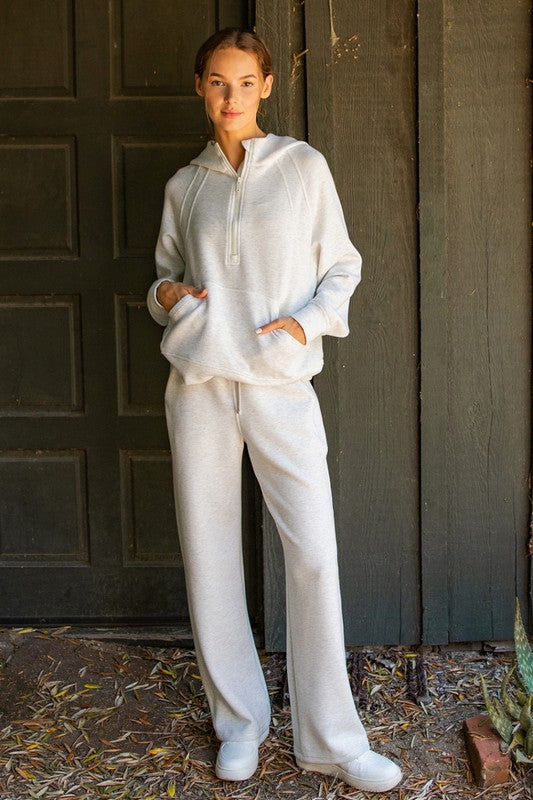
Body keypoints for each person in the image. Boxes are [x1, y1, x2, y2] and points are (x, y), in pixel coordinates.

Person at [146, 27, 402, 793]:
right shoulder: (184, 185)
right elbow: (161, 277)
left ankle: (332, 741)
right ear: (200, 86)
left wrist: (303, 324)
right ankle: (239, 724)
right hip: (198, 387)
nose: (231, 97)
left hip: (278, 383)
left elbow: (342, 266)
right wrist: (167, 296)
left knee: (313, 553)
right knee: (209, 552)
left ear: (265, 87)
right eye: (217, 82)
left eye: (244, 83)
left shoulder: (301, 168)